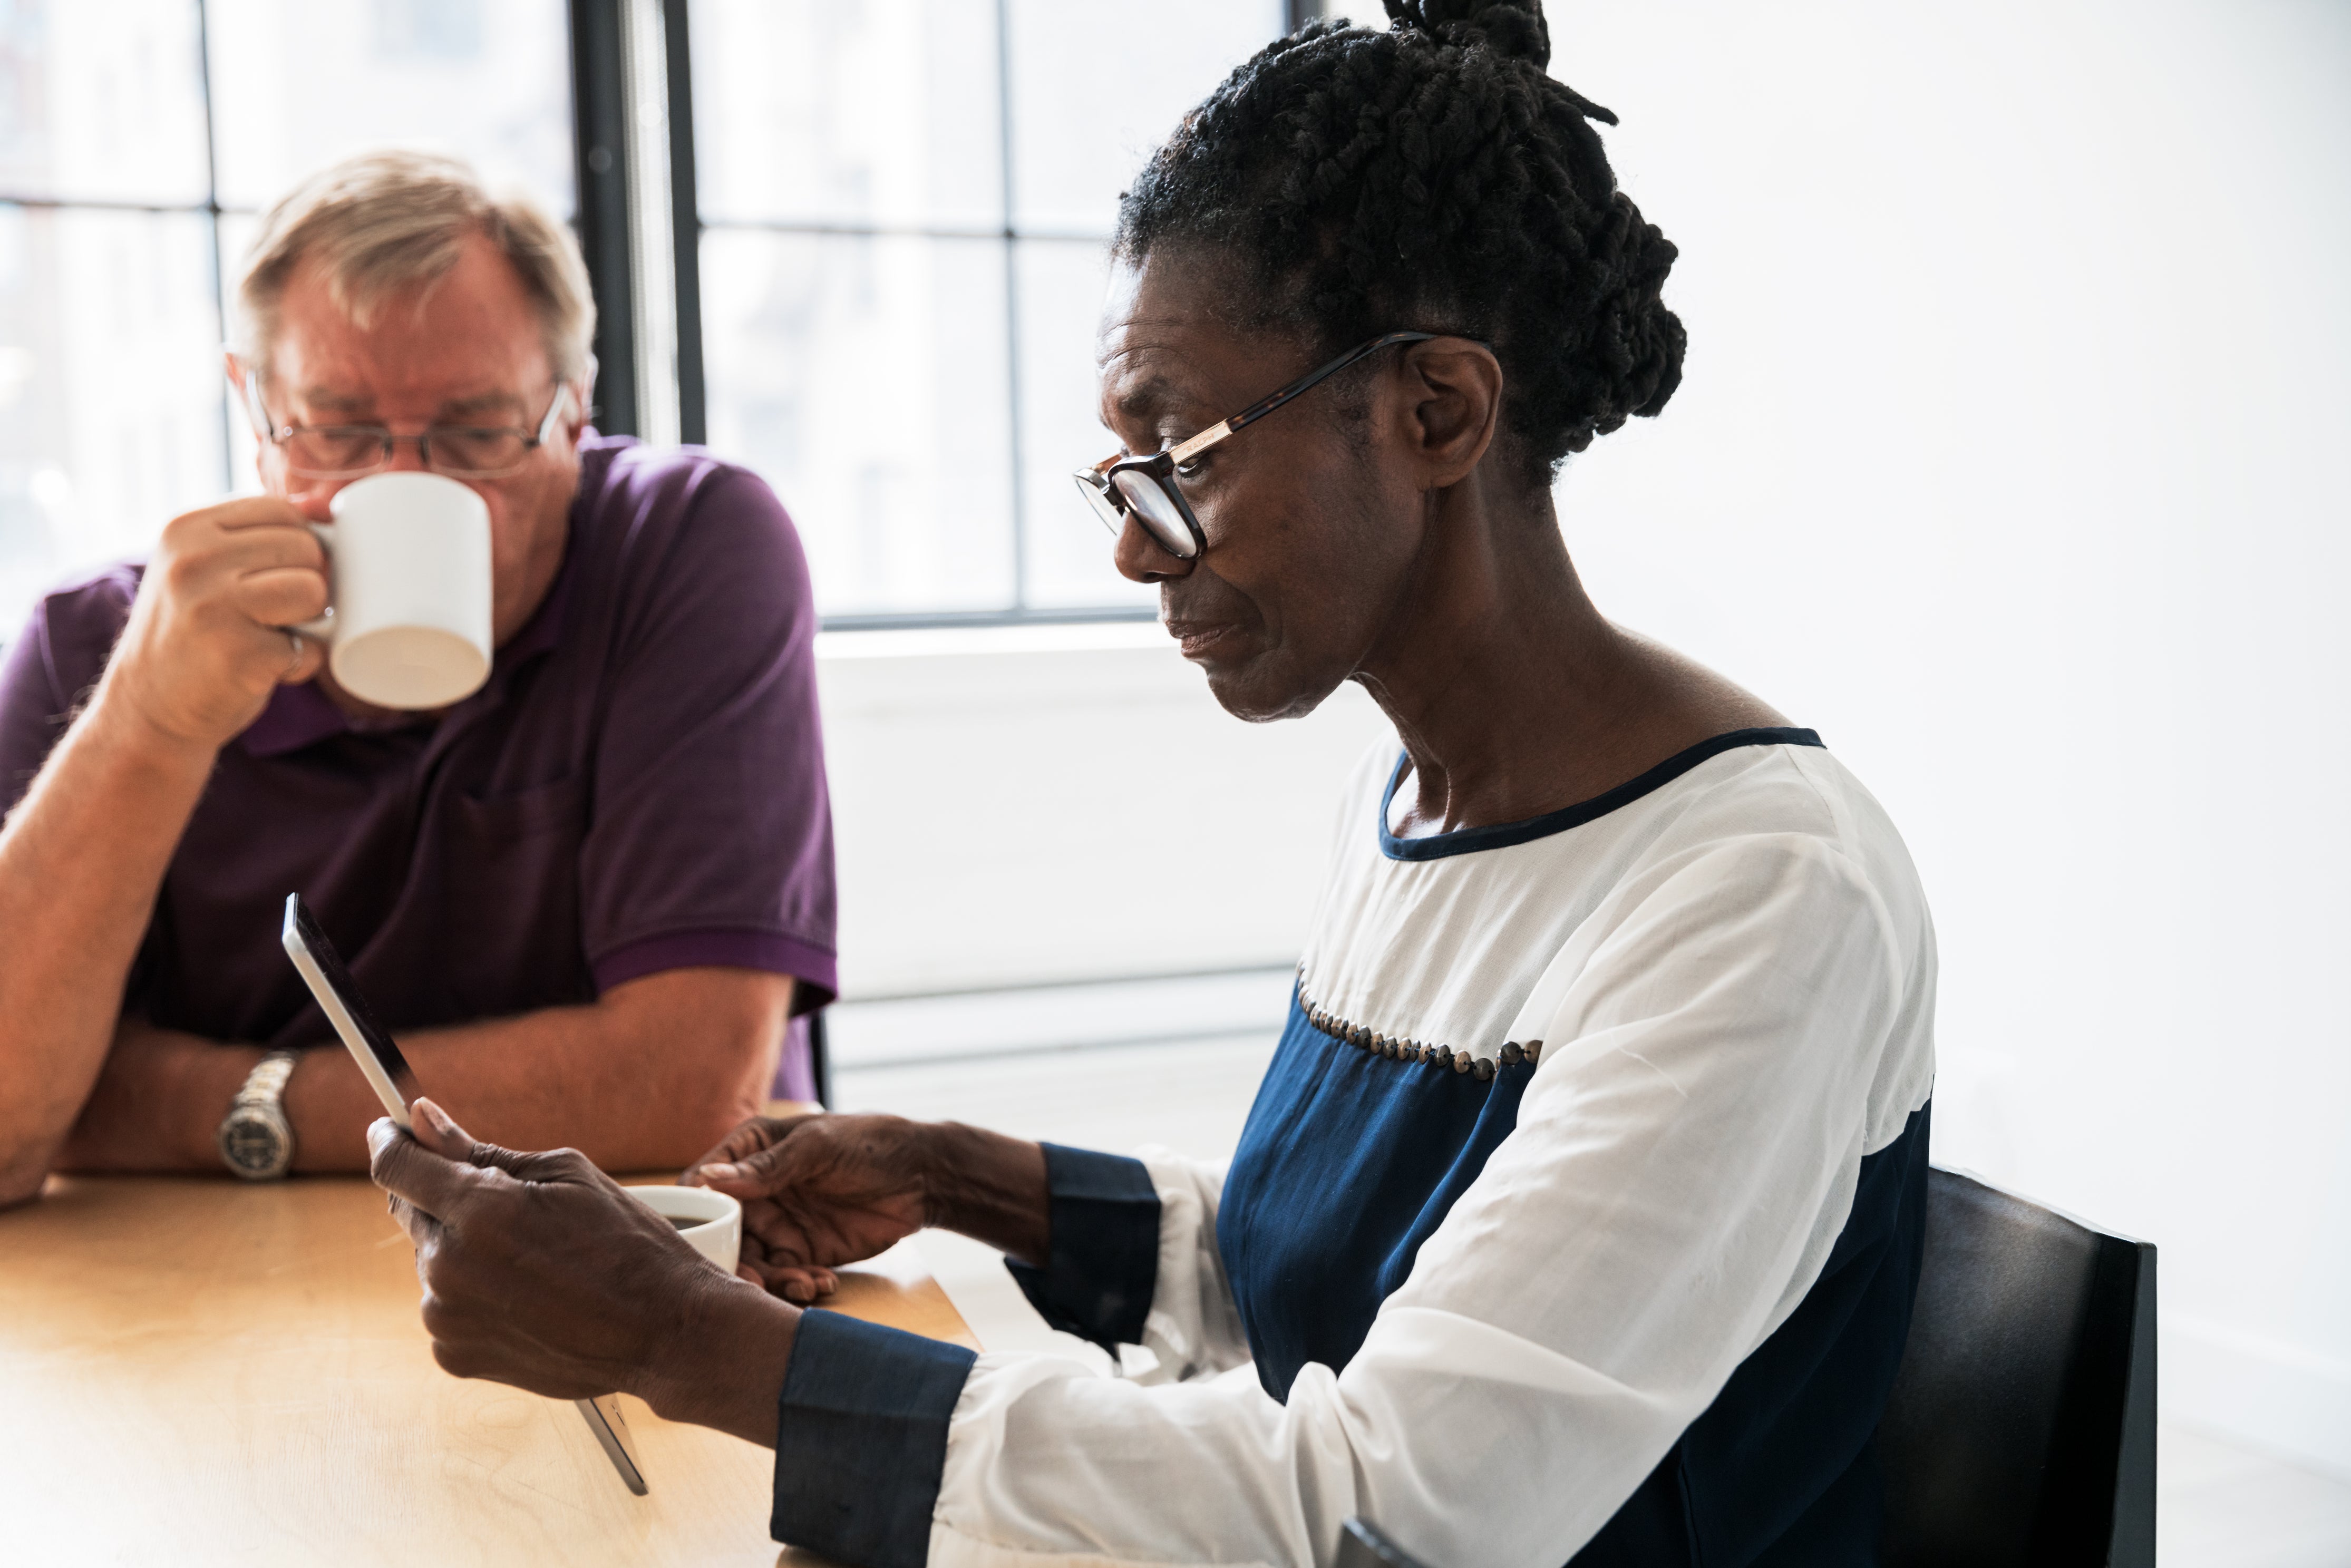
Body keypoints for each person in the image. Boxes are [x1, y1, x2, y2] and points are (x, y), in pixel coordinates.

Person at [368, 5, 1935, 1564]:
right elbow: (1320, 1283)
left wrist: (685, 1341)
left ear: (1436, 413)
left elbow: (1388, 1510)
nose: (1132, 542)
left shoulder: (1753, 892)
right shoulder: (1411, 812)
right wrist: (950, 1177)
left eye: (1179, 454)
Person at [0, 151, 836, 1208]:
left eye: (475, 433)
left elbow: (686, 1083)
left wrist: (211, 1103)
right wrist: (153, 726)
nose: (399, 484)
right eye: (338, 431)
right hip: (209, 1293)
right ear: (254, 416)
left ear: (573, 410)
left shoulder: (683, 548)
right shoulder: (101, 649)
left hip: (626, 1264)